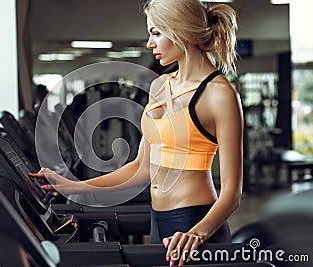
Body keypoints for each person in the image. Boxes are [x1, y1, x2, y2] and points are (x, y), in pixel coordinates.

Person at [30, 0, 243, 265]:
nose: (149, 43)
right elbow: (142, 167)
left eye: (156, 33)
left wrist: (197, 233)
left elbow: (232, 193)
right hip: (158, 220)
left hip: (194, 223)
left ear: (180, 30)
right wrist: (75, 185)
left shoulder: (219, 95)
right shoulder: (159, 85)